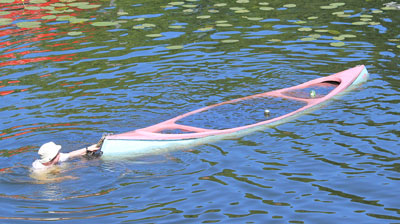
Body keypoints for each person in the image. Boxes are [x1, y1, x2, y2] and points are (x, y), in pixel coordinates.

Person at [32, 141, 100, 170]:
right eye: (58, 153)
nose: (60, 154)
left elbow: (71, 154)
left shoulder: (58, 157)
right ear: (52, 158)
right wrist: (65, 177)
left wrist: (88, 149)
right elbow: (44, 181)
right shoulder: (39, 170)